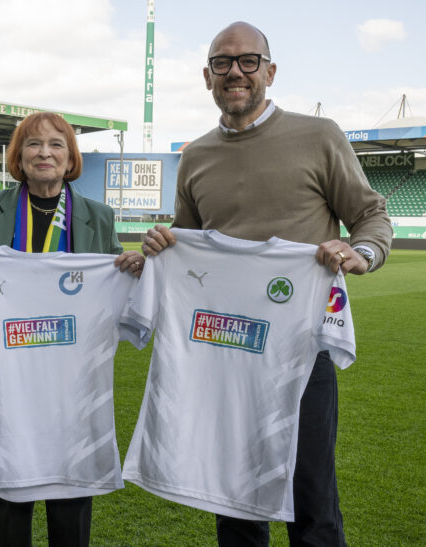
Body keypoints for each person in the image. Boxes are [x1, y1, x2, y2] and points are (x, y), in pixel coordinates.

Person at [141, 22, 392, 547]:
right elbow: (188, 241)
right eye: (222, 63)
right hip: (222, 350)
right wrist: (161, 247)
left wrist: (360, 252)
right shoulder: (196, 155)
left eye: (248, 61)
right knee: (232, 500)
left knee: (312, 501)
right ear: (207, 77)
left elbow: (371, 216)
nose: (235, 72)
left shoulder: (319, 136)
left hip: (300, 349)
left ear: (270, 72)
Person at [0, 111, 144, 547]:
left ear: (70, 159)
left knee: (73, 483)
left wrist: (133, 270)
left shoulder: (98, 217)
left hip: (74, 378)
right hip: (9, 375)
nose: (44, 152)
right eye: (33, 144)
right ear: (19, 157)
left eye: (55, 144)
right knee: (11, 487)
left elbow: (117, 291)